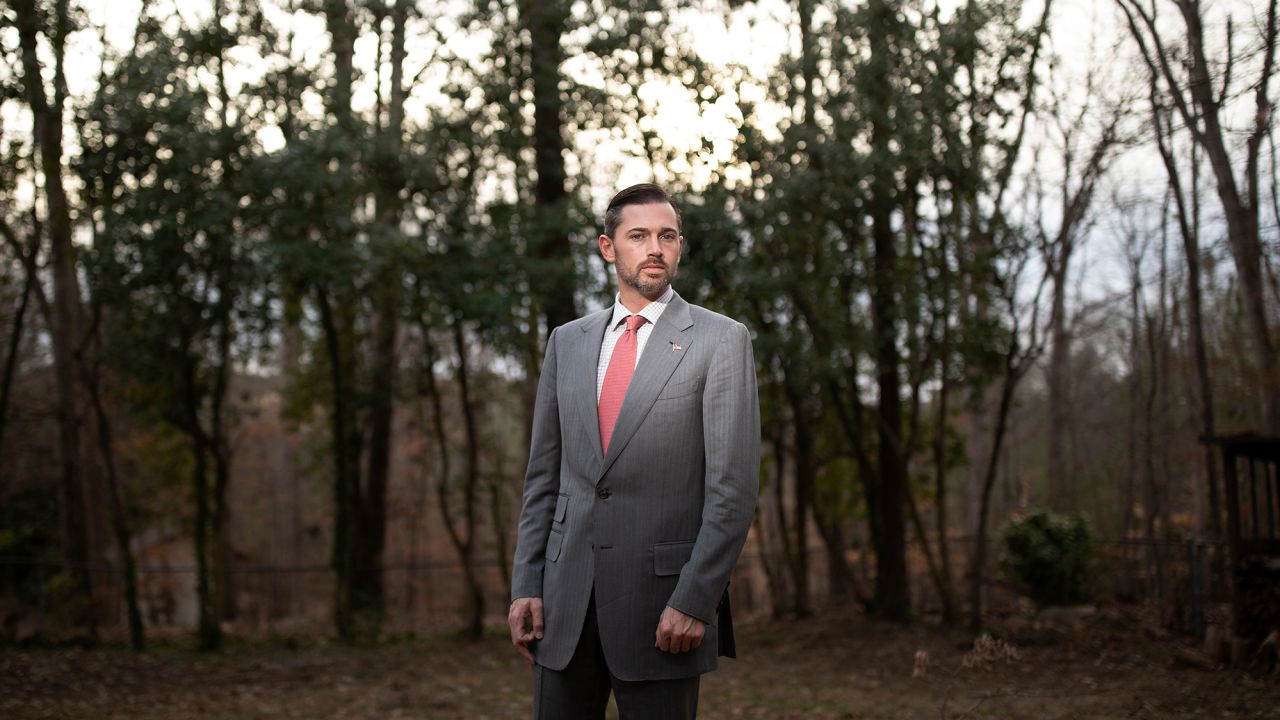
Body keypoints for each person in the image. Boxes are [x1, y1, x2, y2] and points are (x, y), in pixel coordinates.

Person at [508, 183, 760, 719]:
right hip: (563, 607)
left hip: (664, 612)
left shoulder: (720, 341)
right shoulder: (566, 341)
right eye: (638, 235)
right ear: (607, 247)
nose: (654, 248)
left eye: (667, 236)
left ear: (679, 246)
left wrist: (696, 601)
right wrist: (527, 583)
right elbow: (544, 479)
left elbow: (732, 494)